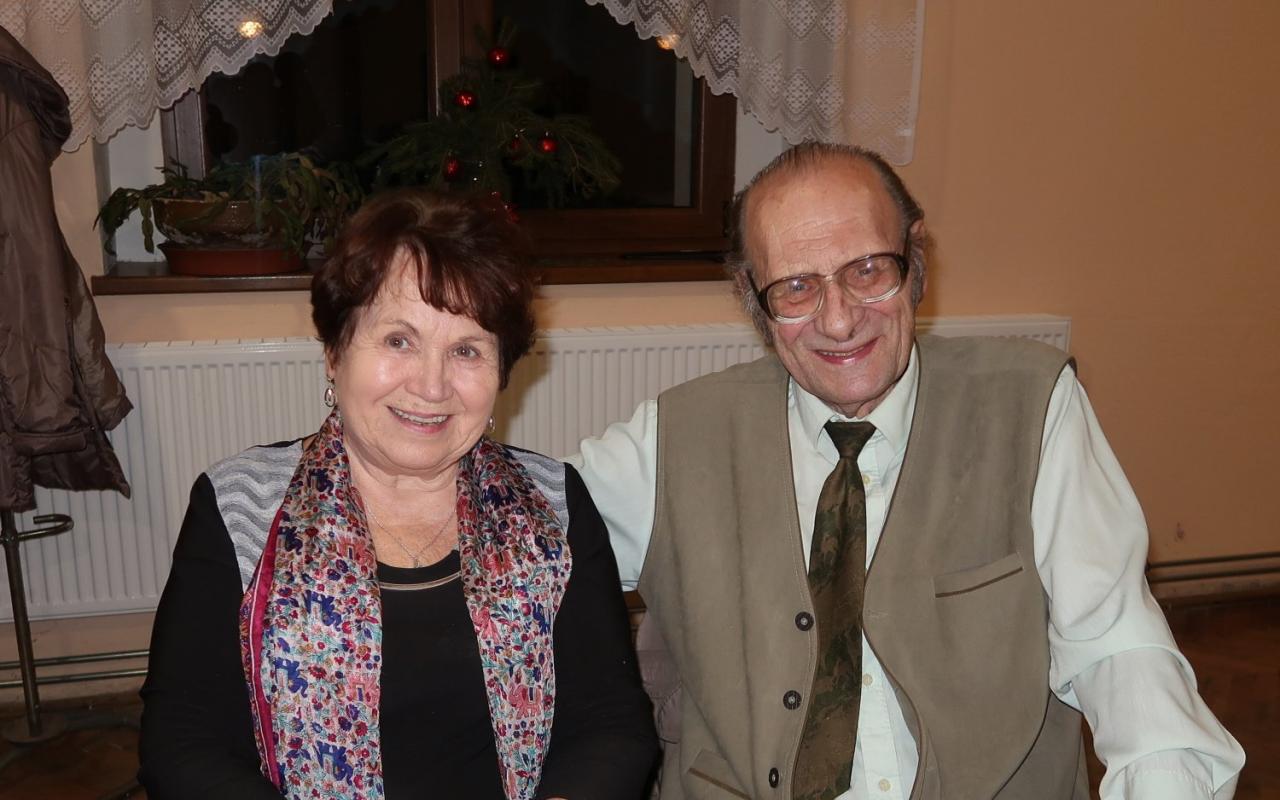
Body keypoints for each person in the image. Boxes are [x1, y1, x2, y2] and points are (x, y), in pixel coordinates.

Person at [571, 143, 1245, 800]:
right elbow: (520, 533)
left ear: (914, 261)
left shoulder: (1031, 407)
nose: (839, 321)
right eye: (797, 287)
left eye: (867, 270)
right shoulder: (673, 440)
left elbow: (1117, 646)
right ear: (753, 296)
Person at [139, 190, 658, 799]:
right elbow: (183, 743)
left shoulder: (555, 506)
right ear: (335, 353)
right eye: (398, 341)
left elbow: (611, 725)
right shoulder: (239, 507)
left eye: (466, 350)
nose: (431, 386)